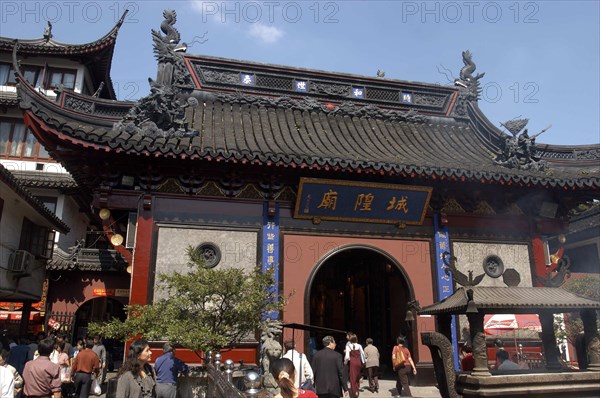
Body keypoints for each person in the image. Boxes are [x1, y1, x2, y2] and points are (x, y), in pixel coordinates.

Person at [344, 334, 364, 398]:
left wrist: (345, 362)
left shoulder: (348, 346)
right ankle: (357, 389)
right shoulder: (359, 346)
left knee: (352, 377)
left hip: (352, 363)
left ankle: (354, 391)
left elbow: (347, 356)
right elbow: (362, 354)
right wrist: (363, 362)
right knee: (358, 376)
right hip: (358, 362)